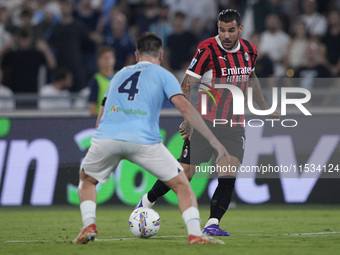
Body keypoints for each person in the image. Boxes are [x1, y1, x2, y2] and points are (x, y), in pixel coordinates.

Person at [72, 33, 229, 245]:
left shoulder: (118, 75)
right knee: (183, 185)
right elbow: (184, 107)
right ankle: (195, 234)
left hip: (107, 137)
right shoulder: (163, 74)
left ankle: (89, 225)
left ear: (137, 55)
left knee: (88, 179)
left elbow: (101, 118)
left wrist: (102, 142)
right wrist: (213, 140)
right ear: (161, 54)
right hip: (143, 139)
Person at [135, 9, 280, 236]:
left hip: (233, 126)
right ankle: (146, 200)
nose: (226, 35)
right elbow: (185, 86)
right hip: (206, 124)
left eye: (231, 30)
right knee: (183, 175)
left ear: (240, 29)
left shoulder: (250, 51)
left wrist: (265, 108)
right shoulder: (206, 49)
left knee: (228, 172)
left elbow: (252, 79)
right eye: (222, 30)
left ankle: (212, 223)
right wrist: (189, 120)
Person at [88, 46, 115, 116]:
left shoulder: (120, 76)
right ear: (99, 61)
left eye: (110, 57)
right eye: (105, 58)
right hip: (103, 120)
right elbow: (92, 103)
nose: (108, 60)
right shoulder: (96, 79)